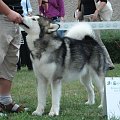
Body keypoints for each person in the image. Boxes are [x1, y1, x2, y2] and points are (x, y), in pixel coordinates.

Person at [0, 0, 28, 116]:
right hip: (3, 15)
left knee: (10, 62)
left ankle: (5, 100)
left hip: (15, 17)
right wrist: (8, 12)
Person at [75, 0, 114, 70]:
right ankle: (86, 64)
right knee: (83, 41)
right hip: (83, 18)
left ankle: (108, 63)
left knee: (97, 40)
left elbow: (104, 1)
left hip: (93, 17)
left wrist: (97, 11)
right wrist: (78, 12)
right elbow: (80, 4)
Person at [17, 0, 33, 71]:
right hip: (16, 21)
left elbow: (29, 8)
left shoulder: (26, 0)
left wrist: (29, 13)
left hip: (25, 21)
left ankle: (30, 65)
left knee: (27, 44)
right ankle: (17, 66)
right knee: (17, 44)